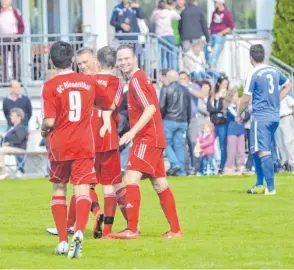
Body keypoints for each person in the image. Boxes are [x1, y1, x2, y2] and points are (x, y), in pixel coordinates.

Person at [41, 41, 114, 257]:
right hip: (83, 143)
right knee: (82, 190)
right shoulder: (88, 82)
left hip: (60, 145)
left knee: (59, 189)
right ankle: (79, 232)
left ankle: (63, 241)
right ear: (72, 60)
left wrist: (43, 131)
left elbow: (49, 121)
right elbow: (108, 104)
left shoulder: (50, 86)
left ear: (52, 61)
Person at [111, 44, 182, 239]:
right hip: (154, 138)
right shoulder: (140, 79)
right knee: (160, 184)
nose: (124, 62)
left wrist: (132, 133)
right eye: (121, 59)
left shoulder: (136, 80)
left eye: (127, 58)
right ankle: (175, 230)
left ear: (135, 58)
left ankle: (131, 229)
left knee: (130, 180)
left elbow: (150, 107)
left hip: (147, 139)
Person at [79, 46, 127, 238]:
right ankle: (108, 229)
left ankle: (96, 211)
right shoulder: (118, 81)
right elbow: (113, 105)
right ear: (115, 64)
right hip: (108, 138)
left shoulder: (87, 81)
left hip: (88, 137)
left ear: (97, 62)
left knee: (85, 184)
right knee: (111, 184)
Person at [237, 44, 292, 195]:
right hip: (274, 116)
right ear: (264, 56)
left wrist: (238, 114)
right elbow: (288, 86)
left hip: (261, 116)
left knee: (263, 151)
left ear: (251, 58)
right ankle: (259, 184)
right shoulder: (274, 70)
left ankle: (271, 188)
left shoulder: (253, 74)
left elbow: (246, 99)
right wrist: (276, 100)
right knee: (256, 150)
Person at [160, 70, 191, 176]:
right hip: (182, 120)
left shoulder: (166, 89)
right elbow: (188, 108)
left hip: (169, 119)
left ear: (168, 78)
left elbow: (162, 107)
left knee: (165, 143)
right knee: (179, 146)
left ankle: (175, 163)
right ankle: (181, 171)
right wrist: (188, 121)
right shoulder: (185, 90)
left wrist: (161, 119)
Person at [207, 75, 229, 175]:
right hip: (213, 123)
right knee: (209, 144)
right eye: (223, 84)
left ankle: (222, 166)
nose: (225, 86)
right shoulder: (212, 95)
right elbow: (209, 108)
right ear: (219, 84)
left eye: (226, 84)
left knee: (223, 146)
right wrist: (217, 100)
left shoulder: (226, 95)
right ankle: (210, 166)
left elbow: (223, 108)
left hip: (222, 123)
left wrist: (220, 99)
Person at [150, 0, 180, 70]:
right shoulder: (169, 12)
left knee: (162, 56)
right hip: (169, 35)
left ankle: (162, 72)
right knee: (171, 55)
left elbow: (152, 20)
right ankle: (172, 71)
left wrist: (155, 10)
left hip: (160, 36)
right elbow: (178, 17)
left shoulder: (155, 13)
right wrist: (171, 8)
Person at [0, 108, 28, 180]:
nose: (11, 117)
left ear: (19, 117)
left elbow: (19, 140)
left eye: (12, 115)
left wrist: (8, 144)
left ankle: (3, 173)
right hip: (10, 148)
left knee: (1, 150)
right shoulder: (11, 128)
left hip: (20, 149)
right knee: (1, 149)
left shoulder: (22, 128)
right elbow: (6, 138)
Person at [0, 0, 24, 82]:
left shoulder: (15, 12)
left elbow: (21, 26)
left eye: (5, 0)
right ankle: (5, 80)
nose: (3, 2)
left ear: (10, 1)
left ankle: (16, 79)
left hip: (14, 39)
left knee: (15, 60)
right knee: (4, 61)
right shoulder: (0, 12)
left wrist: (17, 35)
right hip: (3, 39)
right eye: (2, 1)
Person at [226, 90, 249, 175]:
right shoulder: (229, 108)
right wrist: (240, 107)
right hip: (232, 131)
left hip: (240, 130)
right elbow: (236, 117)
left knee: (241, 150)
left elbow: (245, 116)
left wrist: (240, 107)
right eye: (235, 96)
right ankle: (230, 167)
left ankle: (241, 166)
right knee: (232, 150)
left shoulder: (239, 107)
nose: (237, 98)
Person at [207, 0, 234, 69]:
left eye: (216, 2)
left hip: (219, 37)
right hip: (211, 36)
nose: (215, 4)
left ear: (221, 3)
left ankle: (213, 74)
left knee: (214, 56)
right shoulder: (214, 13)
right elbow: (211, 25)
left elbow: (231, 27)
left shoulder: (227, 13)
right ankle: (210, 70)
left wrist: (222, 33)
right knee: (207, 53)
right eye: (214, 2)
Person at [277, 95, 294, 173]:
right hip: (277, 119)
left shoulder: (287, 95)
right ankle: (285, 163)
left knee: (289, 141)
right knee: (280, 143)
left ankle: (292, 163)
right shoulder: (273, 95)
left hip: (287, 117)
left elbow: (292, 106)